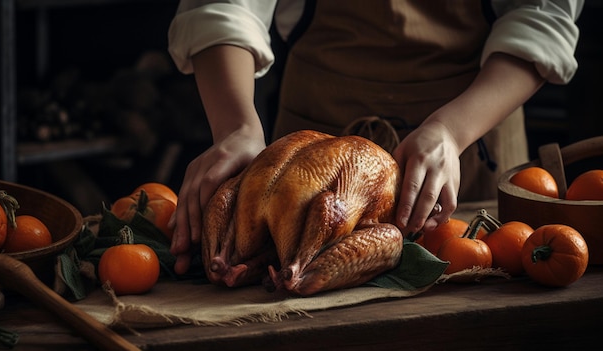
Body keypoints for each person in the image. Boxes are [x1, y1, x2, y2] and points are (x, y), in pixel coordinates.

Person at [166, 0, 584, 275]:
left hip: (474, 134)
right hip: (315, 129)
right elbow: (222, 7)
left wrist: (452, 130)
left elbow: (541, 18)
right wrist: (237, 127)